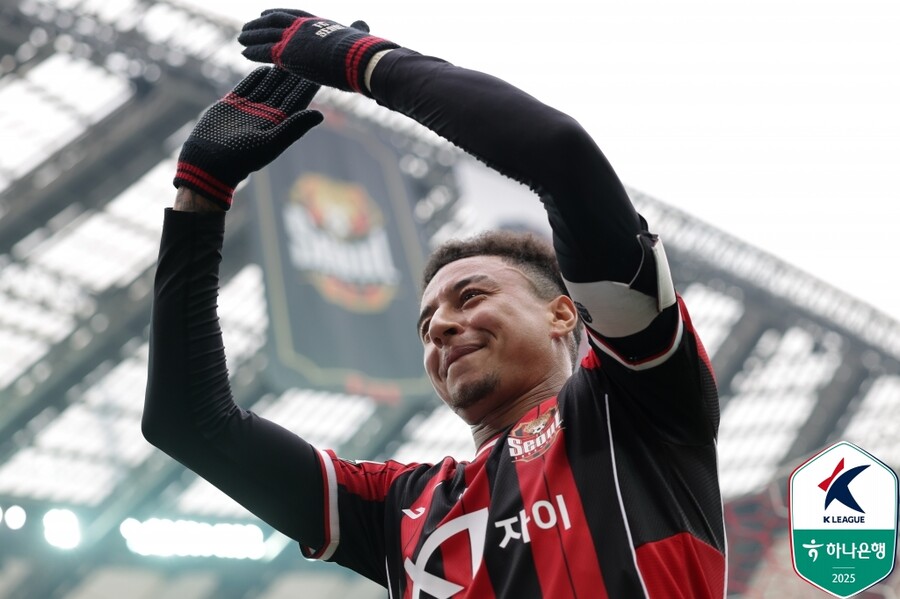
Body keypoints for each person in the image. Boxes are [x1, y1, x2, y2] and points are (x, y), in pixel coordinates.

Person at [143, 10, 726, 598]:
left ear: (562, 313)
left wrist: (370, 64)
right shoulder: (397, 508)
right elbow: (188, 422)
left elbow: (562, 157)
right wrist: (200, 197)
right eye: (426, 325)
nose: (442, 326)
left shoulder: (634, 403)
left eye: (470, 296)